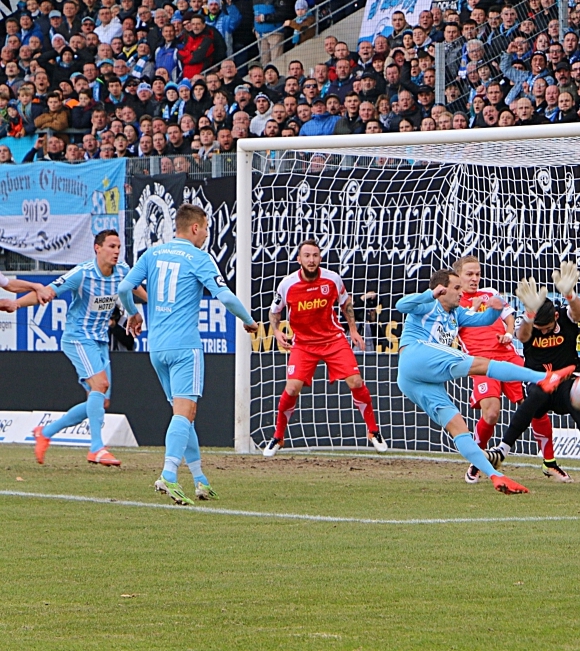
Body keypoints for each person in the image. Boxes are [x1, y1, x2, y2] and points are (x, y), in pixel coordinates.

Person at [118, 204, 259, 505]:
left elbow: (124, 287)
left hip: (157, 349)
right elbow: (226, 297)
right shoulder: (198, 258)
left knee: (183, 416)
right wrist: (248, 320)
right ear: (195, 228)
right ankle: (168, 475)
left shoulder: (152, 254)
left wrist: (133, 314)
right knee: (185, 414)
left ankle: (200, 480)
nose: (207, 234)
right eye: (206, 228)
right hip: (184, 348)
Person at [394, 269, 576, 495]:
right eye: (457, 288)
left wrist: (495, 309)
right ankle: (545, 378)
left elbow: (482, 319)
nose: (462, 292)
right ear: (442, 290)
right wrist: (430, 294)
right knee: (483, 364)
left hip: (414, 380)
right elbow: (401, 305)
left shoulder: (457, 314)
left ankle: (495, 475)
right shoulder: (427, 304)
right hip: (415, 355)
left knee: (458, 427)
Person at [11, 231, 142, 467]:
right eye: (111, 246)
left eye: (119, 247)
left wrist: (153, 304)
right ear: (97, 248)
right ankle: (96, 449)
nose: (116, 251)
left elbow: (135, 288)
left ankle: (46, 432)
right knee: (100, 386)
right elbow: (47, 292)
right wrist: (16, 304)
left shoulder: (122, 271)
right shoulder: (82, 274)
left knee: (100, 400)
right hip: (78, 338)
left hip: (99, 340)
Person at [485, 265, 580, 473]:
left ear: (555, 317)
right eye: (540, 329)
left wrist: (570, 294)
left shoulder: (564, 317)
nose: (544, 332)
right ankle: (502, 451)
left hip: (566, 381)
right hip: (540, 382)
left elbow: (578, 312)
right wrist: (530, 316)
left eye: (547, 328)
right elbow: (522, 336)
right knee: (534, 398)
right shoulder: (529, 324)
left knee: (577, 404)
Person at [261, 240, 387, 457]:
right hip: (303, 344)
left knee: (356, 381)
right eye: (307, 256)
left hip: (333, 340)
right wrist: (276, 331)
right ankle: (278, 437)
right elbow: (275, 311)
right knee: (291, 388)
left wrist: (354, 331)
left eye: (315, 255)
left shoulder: (332, 278)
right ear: (299, 259)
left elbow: (346, 304)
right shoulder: (287, 284)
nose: (311, 260)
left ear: (320, 258)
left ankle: (373, 431)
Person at [453, 256, 567, 484]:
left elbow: (508, 316)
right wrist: (473, 309)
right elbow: (452, 329)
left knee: (536, 403)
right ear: (458, 277)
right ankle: (478, 461)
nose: (475, 279)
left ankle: (549, 463)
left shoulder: (490, 292)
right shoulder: (453, 302)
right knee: (492, 413)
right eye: (469, 274)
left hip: (509, 357)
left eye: (477, 274)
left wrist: (507, 332)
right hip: (481, 363)